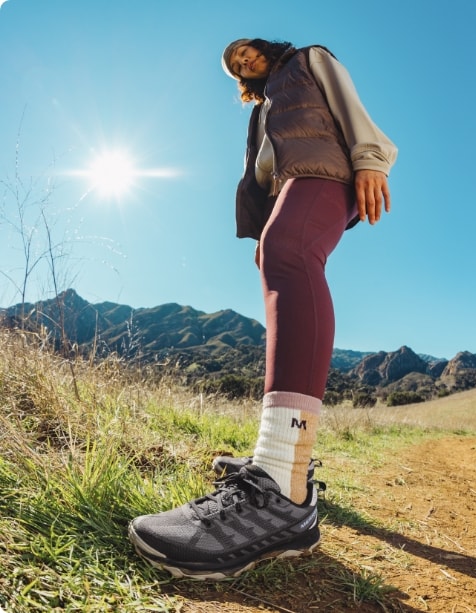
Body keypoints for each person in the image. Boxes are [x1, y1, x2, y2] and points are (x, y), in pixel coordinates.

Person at [129, 38, 397, 579]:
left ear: (264, 48)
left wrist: (371, 159)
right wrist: (267, 229)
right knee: (283, 261)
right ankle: (281, 470)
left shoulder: (306, 61)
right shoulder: (263, 108)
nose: (243, 63)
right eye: (235, 66)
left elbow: (347, 105)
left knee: (292, 257)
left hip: (327, 170)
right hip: (292, 189)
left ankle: (282, 478)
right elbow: (264, 170)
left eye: (245, 53)